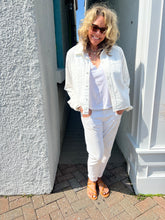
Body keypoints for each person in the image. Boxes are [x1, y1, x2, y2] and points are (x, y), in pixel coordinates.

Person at [64, 4, 133, 200]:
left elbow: (125, 80)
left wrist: (121, 106)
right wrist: (78, 105)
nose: (98, 33)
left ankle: (99, 177)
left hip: (113, 111)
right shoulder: (74, 54)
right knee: (96, 154)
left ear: (108, 31)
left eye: (103, 29)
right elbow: (70, 85)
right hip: (90, 112)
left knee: (106, 153)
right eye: (95, 27)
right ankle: (91, 178)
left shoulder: (116, 52)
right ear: (87, 26)